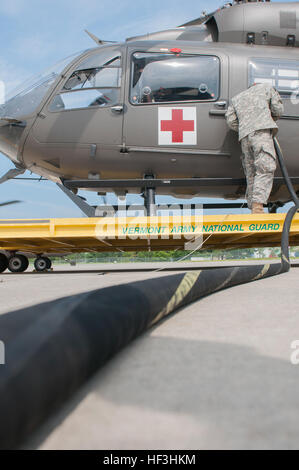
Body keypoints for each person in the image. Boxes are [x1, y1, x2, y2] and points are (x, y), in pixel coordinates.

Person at [225, 83, 284, 214]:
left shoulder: (237, 98)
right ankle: (258, 207)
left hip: (245, 137)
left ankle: (254, 208)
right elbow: (278, 110)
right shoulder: (267, 88)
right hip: (261, 133)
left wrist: (246, 127)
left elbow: (231, 121)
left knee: (251, 172)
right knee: (265, 167)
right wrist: (265, 120)